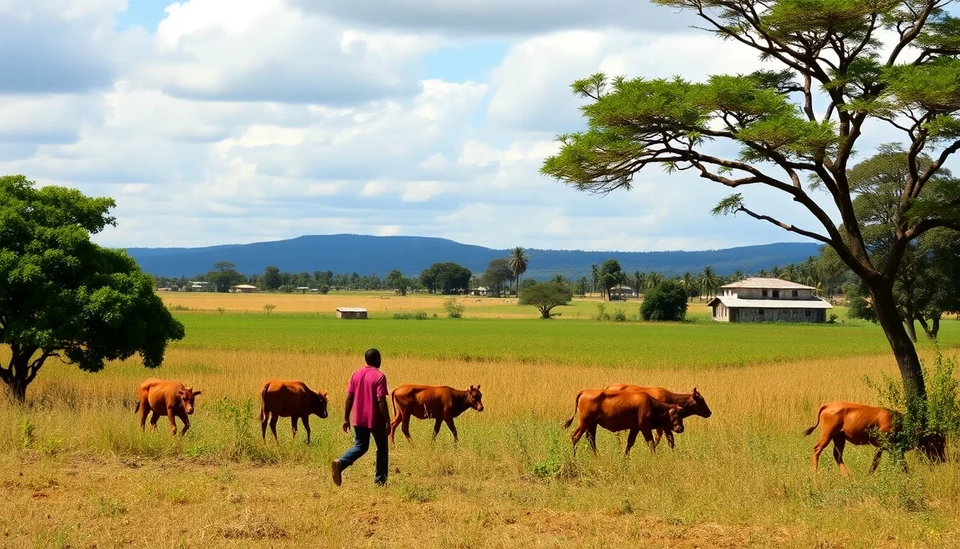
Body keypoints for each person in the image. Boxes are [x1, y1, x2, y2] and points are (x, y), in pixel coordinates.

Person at [332, 348, 390, 486]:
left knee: (361, 445)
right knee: (382, 448)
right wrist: (388, 420)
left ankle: (341, 463)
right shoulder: (379, 376)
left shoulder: (355, 374)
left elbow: (349, 397)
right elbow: (381, 400)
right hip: (375, 419)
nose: (381, 360)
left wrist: (346, 418)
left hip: (358, 419)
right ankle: (380, 480)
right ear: (376, 359)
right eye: (380, 358)